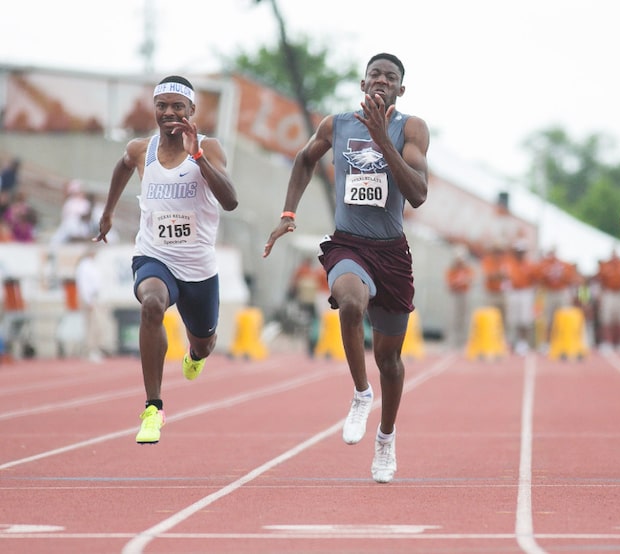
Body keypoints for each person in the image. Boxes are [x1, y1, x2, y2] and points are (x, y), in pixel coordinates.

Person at [263, 53, 429, 483]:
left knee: (390, 359)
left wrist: (383, 139)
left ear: (400, 90)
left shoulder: (411, 129)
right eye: (375, 74)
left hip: (391, 253)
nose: (382, 80)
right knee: (351, 305)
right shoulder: (336, 125)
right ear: (362, 83)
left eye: (391, 77)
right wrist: (287, 213)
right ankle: (360, 393)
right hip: (349, 244)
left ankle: (386, 438)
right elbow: (303, 160)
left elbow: (419, 193)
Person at [94, 75, 238, 445]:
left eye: (178, 107)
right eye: (162, 106)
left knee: (204, 341)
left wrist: (199, 156)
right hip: (153, 255)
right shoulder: (142, 149)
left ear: (192, 111)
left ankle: (195, 353)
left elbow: (230, 200)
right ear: (154, 110)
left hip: (198, 267)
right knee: (152, 303)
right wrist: (109, 211)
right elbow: (123, 165)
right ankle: (153, 408)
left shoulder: (210, 147)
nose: (169, 113)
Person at [594, 248, 620, 351]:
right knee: (607, 319)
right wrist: (600, 294)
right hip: (609, 293)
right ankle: (607, 342)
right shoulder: (605, 266)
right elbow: (599, 280)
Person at [445, 247, 475, 348]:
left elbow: (470, 280)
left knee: (464, 318)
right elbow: (451, 284)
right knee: (453, 318)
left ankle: (463, 341)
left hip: (464, 294)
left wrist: (460, 282)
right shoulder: (451, 270)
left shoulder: (467, 269)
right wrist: (459, 282)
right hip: (455, 295)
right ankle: (451, 341)